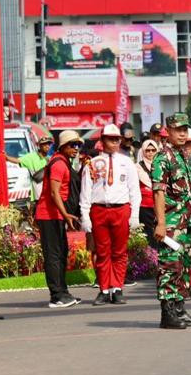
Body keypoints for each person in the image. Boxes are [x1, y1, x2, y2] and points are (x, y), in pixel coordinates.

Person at [79, 124, 141, 306]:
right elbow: (85, 192)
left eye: (116, 139)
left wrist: (134, 214)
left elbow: (134, 190)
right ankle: (104, 289)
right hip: (99, 209)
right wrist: (85, 216)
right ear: (102, 140)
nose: (114, 142)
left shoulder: (127, 162)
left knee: (119, 252)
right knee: (102, 251)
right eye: (110, 139)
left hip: (121, 209)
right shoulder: (92, 163)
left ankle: (117, 288)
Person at [152, 114, 191, 330]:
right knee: (169, 266)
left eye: (185, 129)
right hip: (171, 224)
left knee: (183, 267)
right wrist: (161, 223)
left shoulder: (184, 156)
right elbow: (158, 193)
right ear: (168, 131)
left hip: (187, 221)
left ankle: (180, 308)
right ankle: (168, 314)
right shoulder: (162, 158)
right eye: (178, 129)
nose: (182, 133)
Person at [34, 131, 83, 308]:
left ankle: (63, 292)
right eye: (73, 145)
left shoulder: (62, 161)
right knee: (53, 256)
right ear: (63, 146)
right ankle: (56, 296)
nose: (76, 149)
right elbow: (54, 193)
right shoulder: (59, 165)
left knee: (61, 253)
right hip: (49, 215)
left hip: (55, 215)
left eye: (78, 145)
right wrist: (65, 214)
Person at [136, 139, 160, 240]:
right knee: (148, 236)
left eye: (153, 150)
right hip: (145, 207)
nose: (150, 153)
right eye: (147, 150)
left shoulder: (162, 165)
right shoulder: (137, 167)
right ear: (143, 151)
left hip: (160, 205)